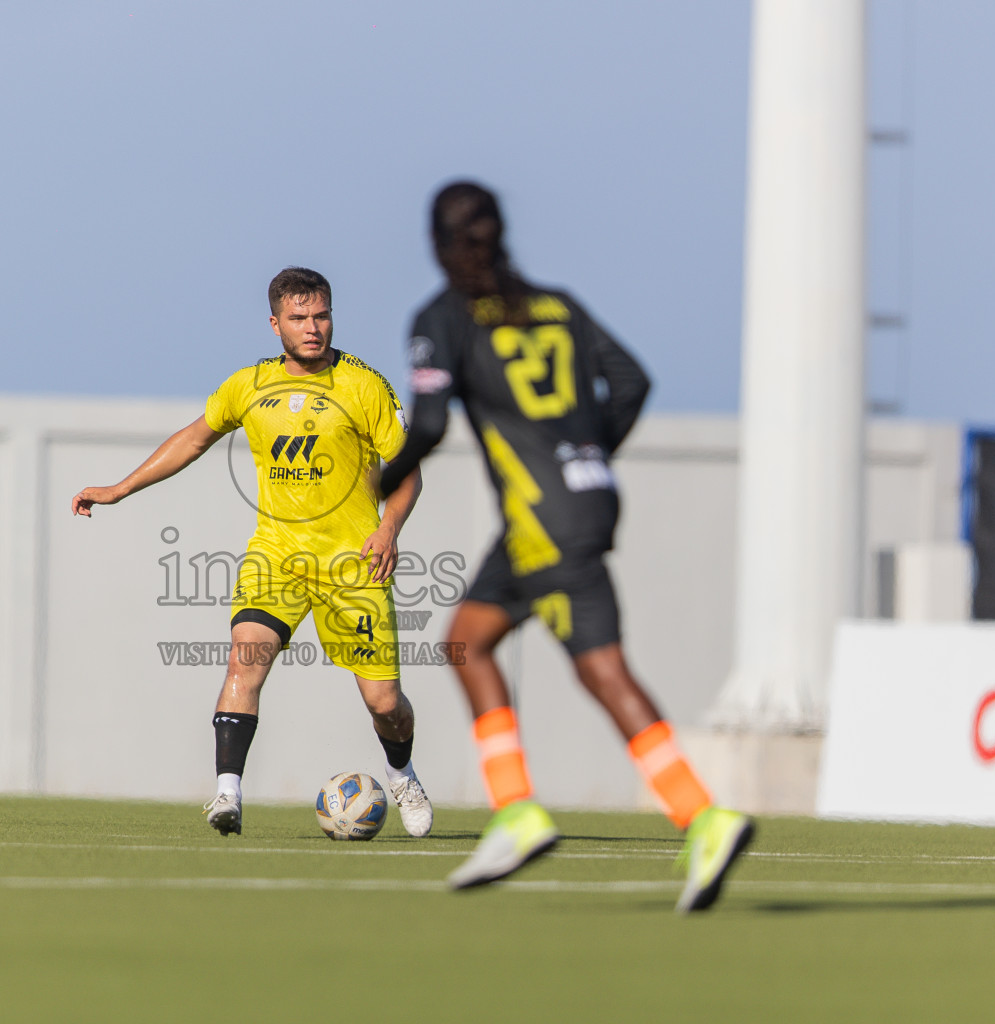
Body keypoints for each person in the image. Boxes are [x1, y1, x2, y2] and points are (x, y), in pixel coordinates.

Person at [378, 182, 754, 912]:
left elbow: (427, 424)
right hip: (587, 498)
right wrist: (584, 451)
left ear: (438, 244)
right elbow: (633, 381)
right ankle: (568, 812)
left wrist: (378, 484)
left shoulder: (441, 318)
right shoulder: (557, 305)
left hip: (538, 518)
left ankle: (663, 813)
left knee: (580, 666)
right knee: (474, 641)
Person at [72, 267, 434, 839]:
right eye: (299, 318)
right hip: (277, 556)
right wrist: (120, 488)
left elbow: (407, 471)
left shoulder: (365, 386)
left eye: (321, 316)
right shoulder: (249, 385)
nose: (312, 328)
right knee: (246, 657)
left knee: (385, 702)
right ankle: (227, 795)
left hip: (352, 564)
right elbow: (193, 438)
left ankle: (402, 771)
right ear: (275, 324)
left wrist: (388, 529)